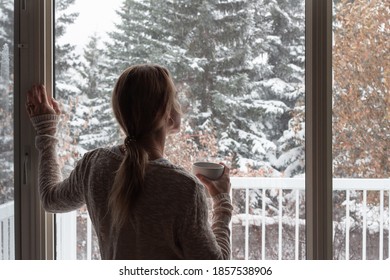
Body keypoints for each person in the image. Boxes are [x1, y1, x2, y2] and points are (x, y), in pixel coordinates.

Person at [26, 64, 233, 260]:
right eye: (175, 97)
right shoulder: (185, 189)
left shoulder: (95, 165)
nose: (180, 104)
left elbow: (50, 199)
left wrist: (46, 130)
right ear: (163, 113)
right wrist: (222, 202)